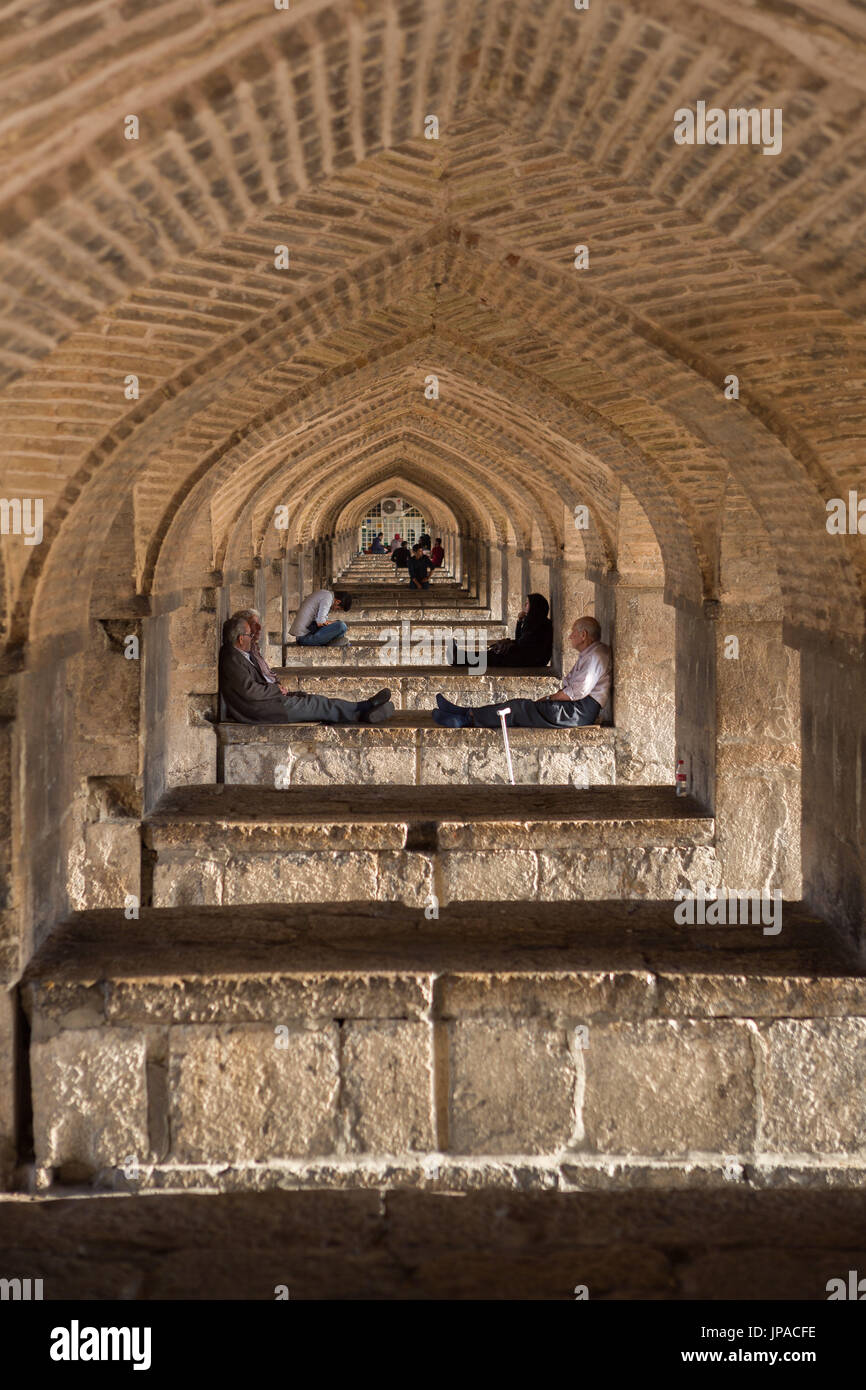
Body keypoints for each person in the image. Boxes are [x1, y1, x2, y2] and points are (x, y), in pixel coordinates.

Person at [432, 615, 610, 727]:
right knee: (518, 705)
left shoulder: (596, 655)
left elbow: (577, 691)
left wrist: (549, 698)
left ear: (584, 635)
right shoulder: (590, 653)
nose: (570, 636)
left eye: (573, 632)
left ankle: (465, 719)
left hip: (577, 712)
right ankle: (464, 712)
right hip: (574, 708)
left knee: (518, 709)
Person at [220, 616, 395, 724]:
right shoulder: (232, 658)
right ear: (241, 639)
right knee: (317, 705)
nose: (253, 638)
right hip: (264, 710)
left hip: (269, 703)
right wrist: (275, 689)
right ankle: (363, 711)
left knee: (314, 700)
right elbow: (249, 691)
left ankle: (363, 708)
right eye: (250, 635)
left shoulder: (241, 654)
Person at [451, 592, 553, 669]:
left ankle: (460, 658)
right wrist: (519, 622)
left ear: (535, 607)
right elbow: (520, 639)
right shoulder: (535, 621)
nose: (525, 605)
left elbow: (522, 643)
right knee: (493, 654)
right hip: (527, 657)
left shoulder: (539, 624)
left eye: (527, 603)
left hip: (531, 660)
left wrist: (510, 645)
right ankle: (460, 657)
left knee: (494, 657)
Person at [234, 608, 289, 693]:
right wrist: (275, 689)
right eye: (254, 624)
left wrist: (278, 684)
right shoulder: (240, 654)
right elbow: (253, 687)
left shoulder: (253, 648)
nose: (259, 628)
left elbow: (267, 673)